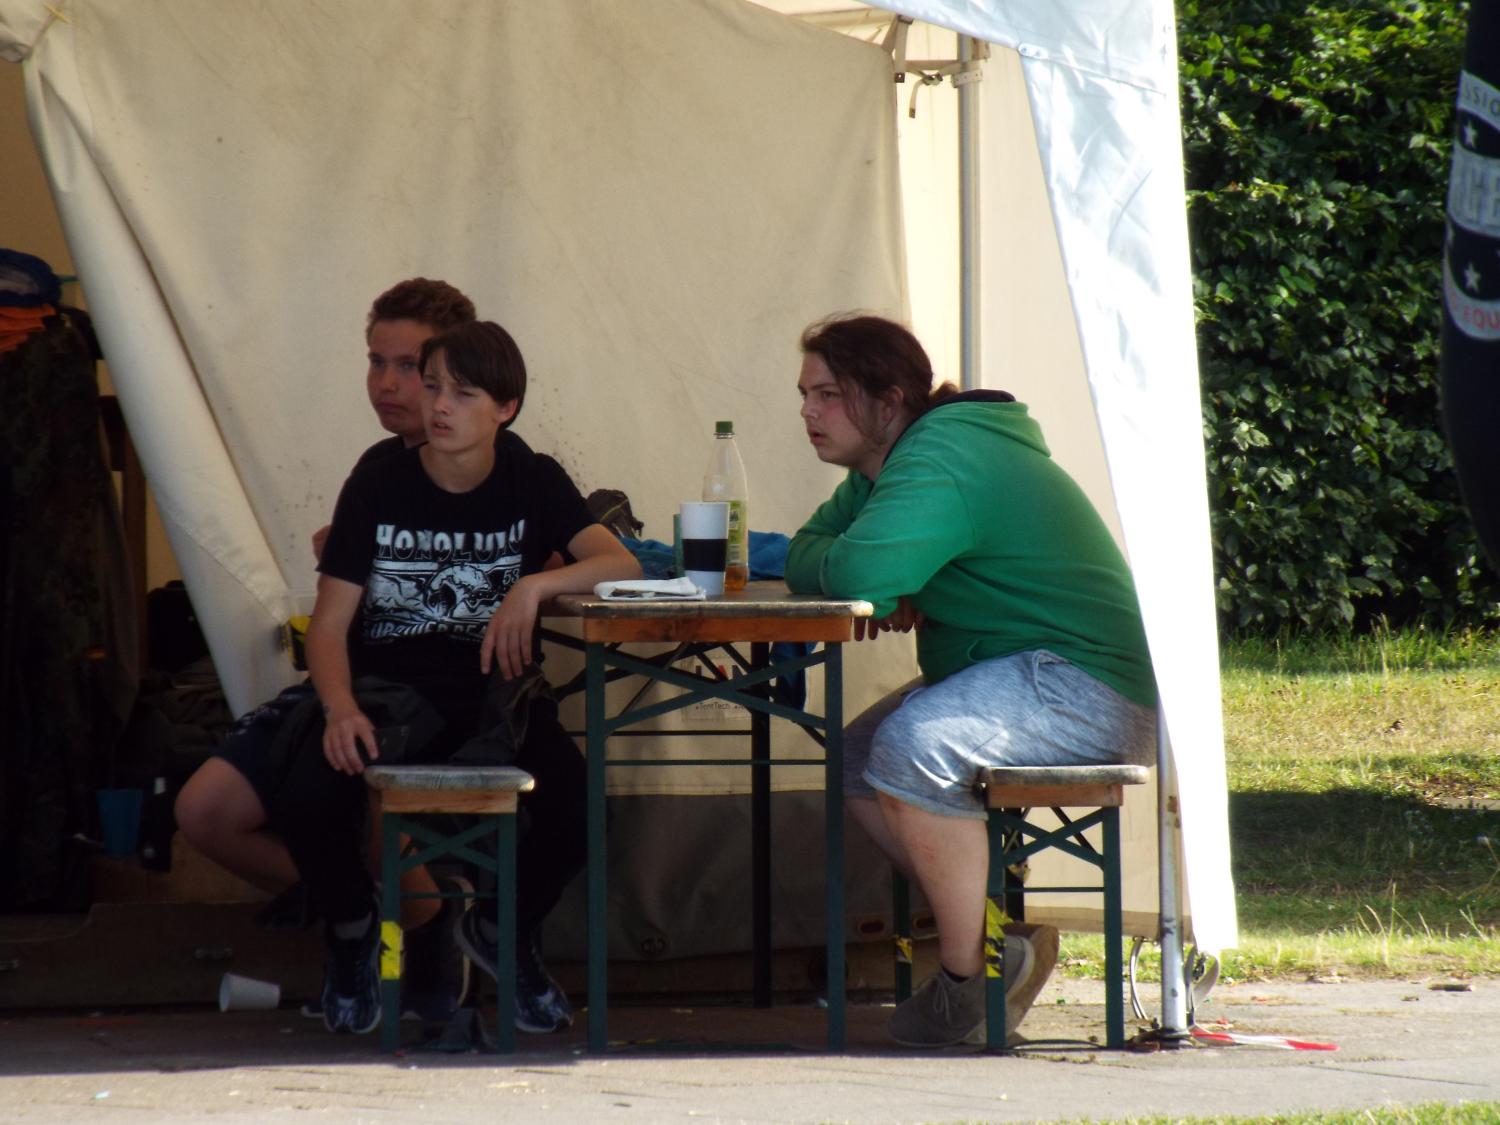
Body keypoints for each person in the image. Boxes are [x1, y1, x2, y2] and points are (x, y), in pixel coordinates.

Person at [785, 314, 1157, 1048]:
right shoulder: (883, 468)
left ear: (888, 402)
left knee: (913, 748)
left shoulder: (943, 455)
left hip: (1086, 685)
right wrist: (883, 574)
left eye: (827, 394)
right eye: (804, 394)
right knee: (855, 758)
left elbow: (854, 570)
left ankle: (968, 980)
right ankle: (1000, 941)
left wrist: (886, 575)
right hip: (1018, 670)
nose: (807, 411)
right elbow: (810, 551)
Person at [273, 319, 640, 1034]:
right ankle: (352, 931)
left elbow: (621, 563)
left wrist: (533, 586)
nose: (439, 406)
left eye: (463, 394)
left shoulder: (532, 477)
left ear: (505, 407)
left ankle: (502, 929)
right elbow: (328, 625)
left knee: (582, 811)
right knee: (307, 794)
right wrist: (341, 707)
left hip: (496, 700)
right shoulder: (379, 480)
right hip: (388, 699)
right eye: (433, 385)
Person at [175, 279, 480, 1023]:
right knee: (205, 811)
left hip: (436, 697)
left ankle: (415, 924)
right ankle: (388, 916)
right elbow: (334, 610)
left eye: (408, 366)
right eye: (376, 361)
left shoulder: (496, 468)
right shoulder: (378, 468)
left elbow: (558, 554)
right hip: (350, 684)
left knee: (363, 800)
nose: (386, 383)